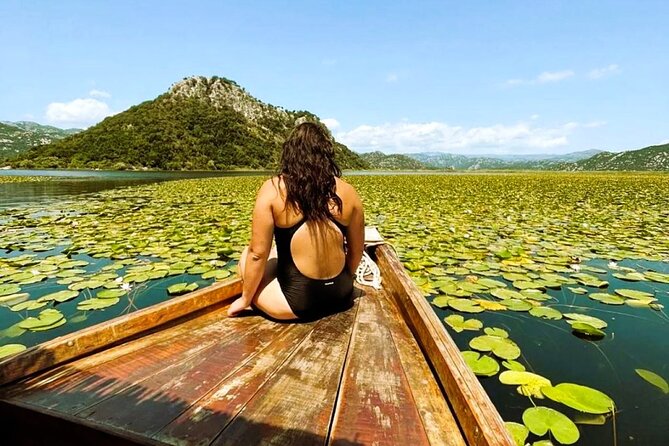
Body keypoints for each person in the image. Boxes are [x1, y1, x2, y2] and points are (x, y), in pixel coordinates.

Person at [227, 122, 365, 320]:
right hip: (342, 296)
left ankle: (258, 293)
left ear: (290, 153)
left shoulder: (273, 189)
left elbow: (257, 254)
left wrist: (245, 300)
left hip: (295, 304)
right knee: (274, 256)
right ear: (326, 153)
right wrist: (342, 283)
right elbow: (356, 251)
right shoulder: (349, 192)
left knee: (245, 257)